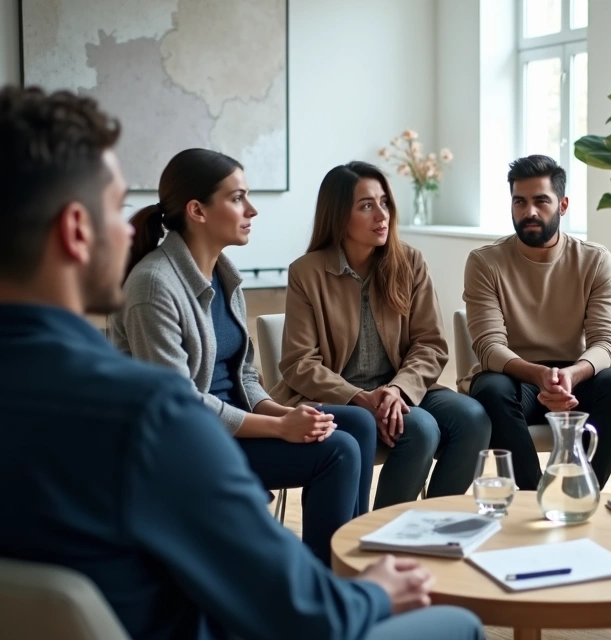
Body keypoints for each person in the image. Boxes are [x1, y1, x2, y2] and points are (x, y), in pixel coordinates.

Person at [0, 85, 482, 640]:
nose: (132, 227)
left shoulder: (218, 290)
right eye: (116, 208)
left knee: (352, 435)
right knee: (457, 625)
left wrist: (282, 414)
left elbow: (247, 377)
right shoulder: (151, 410)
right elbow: (299, 615)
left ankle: (340, 559)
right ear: (76, 231)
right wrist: (373, 592)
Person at [109, 148, 376, 562]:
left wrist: (280, 414)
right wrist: (278, 427)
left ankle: (349, 566)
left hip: (232, 422)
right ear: (197, 210)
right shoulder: (153, 286)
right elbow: (178, 404)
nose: (251, 209)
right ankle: (323, 588)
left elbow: (245, 374)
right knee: (337, 451)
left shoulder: (223, 272)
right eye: (237, 198)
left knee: (357, 422)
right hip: (191, 441)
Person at [272, 161, 491, 508]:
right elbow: (299, 363)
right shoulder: (306, 272)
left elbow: (430, 343)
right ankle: (381, 536)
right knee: (419, 429)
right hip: (339, 398)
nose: (382, 215)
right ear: (339, 216)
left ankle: (430, 526)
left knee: (473, 418)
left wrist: (396, 389)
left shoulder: (410, 262)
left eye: (385, 202)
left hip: (400, 387)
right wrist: (360, 397)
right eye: (367, 206)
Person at [463, 155, 611, 490]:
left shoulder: (594, 260)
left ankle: (579, 490)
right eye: (520, 201)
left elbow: (606, 342)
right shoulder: (485, 262)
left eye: (541, 201)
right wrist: (539, 375)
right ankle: (534, 496)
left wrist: (571, 375)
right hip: (517, 380)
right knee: (489, 389)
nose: (529, 211)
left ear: (563, 205)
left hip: (575, 379)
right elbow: (488, 347)